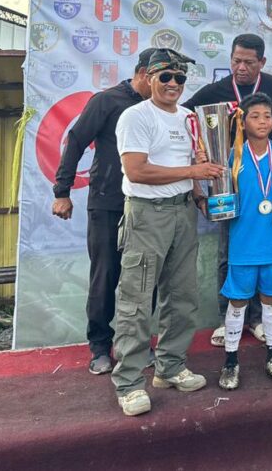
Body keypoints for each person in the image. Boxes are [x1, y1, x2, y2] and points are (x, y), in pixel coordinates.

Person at [112, 49, 223, 417]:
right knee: (136, 300)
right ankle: (128, 383)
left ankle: (170, 366)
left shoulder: (191, 118)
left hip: (182, 212)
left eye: (179, 78)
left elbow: (192, 163)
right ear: (147, 78)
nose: (173, 84)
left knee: (183, 296)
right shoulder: (135, 116)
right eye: (165, 77)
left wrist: (200, 194)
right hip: (147, 215)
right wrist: (193, 175)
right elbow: (137, 171)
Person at [183, 33, 272, 347]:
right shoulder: (216, 91)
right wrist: (199, 157)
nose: (241, 67)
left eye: (249, 62)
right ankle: (227, 318)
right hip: (227, 186)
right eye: (236, 60)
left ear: (262, 62)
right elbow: (183, 120)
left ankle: (258, 319)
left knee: (268, 255)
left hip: (268, 186)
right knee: (227, 252)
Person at [52, 48, 153, 375]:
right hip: (107, 202)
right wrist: (62, 192)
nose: (165, 83)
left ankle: (135, 344)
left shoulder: (161, 110)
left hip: (146, 205)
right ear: (141, 73)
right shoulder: (107, 101)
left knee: (140, 278)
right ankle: (99, 346)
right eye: (158, 77)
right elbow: (76, 140)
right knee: (105, 275)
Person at [218, 93, 272, 391]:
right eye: (255, 116)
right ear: (243, 121)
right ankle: (230, 361)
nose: (262, 121)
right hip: (243, 244)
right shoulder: (232, 155)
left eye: (267, 116)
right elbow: (220, 194)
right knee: (237, 303)